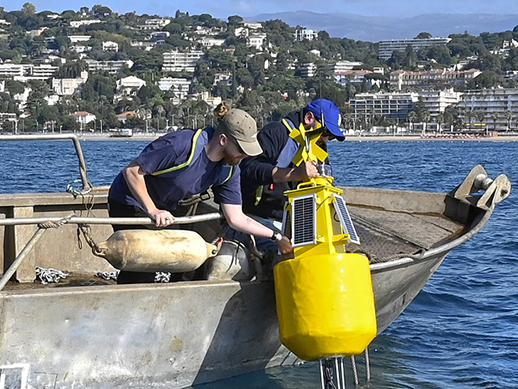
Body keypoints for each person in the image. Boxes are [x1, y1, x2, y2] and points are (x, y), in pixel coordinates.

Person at [107, 103, 293, 283]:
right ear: (223, 140)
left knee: (190, 260)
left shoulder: (229, 169)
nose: (244, 156)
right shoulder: (181, 145)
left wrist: (275, 236)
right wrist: (153, 210)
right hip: (131, 200)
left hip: (166, 208)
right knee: (144, 262)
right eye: (242, 150)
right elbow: (132, 172)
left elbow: (236, 218)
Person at [237, 99, 346, 250]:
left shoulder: (317, 148)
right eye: (325, 133)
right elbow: (248, 169)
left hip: (297, 222)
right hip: (260, 218)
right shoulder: (275, 133)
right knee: (288, 255)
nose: (326, 139)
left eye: (330, 137)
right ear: (309, 118)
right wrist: (294, 174)